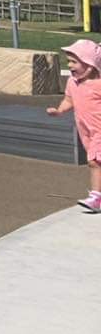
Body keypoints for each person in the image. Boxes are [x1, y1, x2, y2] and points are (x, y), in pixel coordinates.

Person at [46, 38, 101, 213]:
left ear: (90, 65)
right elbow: (69, 100)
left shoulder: (98, 84)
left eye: (74, 62)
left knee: (94, 162)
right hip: (86, 131)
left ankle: (96, 198)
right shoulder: (72, 82)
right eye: (68, 61)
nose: (69, 65)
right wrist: (59, 111)